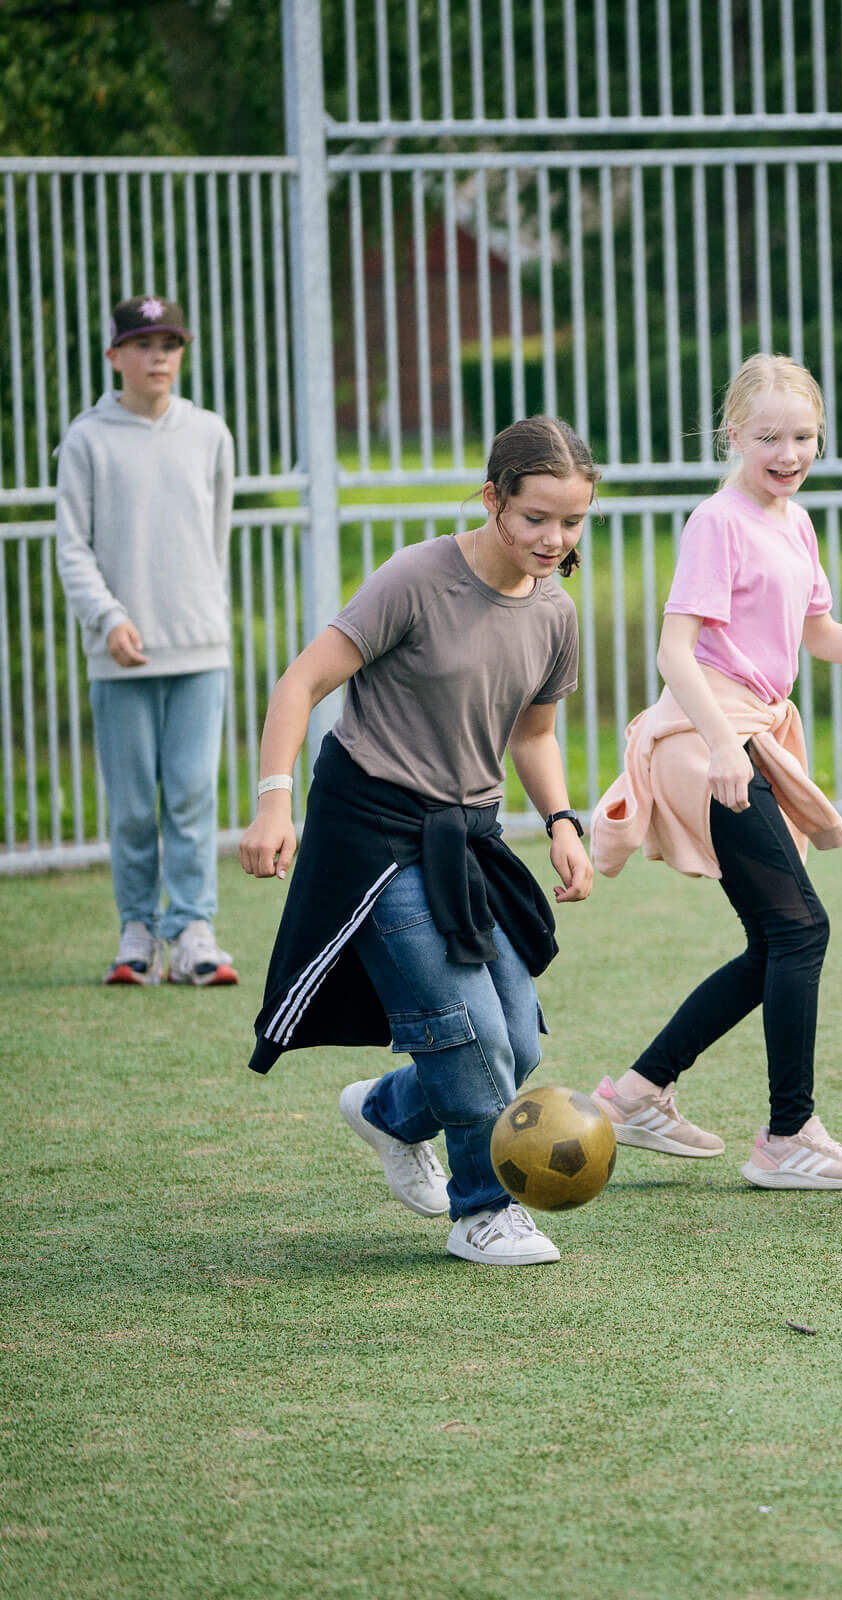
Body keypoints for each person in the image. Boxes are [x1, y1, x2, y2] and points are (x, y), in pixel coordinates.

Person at [239, 417, 596, 1267]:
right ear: (492, 499)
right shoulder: (417, 578)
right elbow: (302, 681)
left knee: (522, 1038)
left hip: (464, 836)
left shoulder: (555, 612)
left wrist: (562, 822)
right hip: (373, 829)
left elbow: (535, 734)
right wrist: (273, 802)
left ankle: (390, 1112)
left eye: (572, 521)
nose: (554, 539)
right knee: (470, 1034)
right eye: (535, 517)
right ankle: (483, 1213)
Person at [591, 354, 842, 1192]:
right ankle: (786, 1135)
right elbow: (675, 648)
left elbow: (817, 636)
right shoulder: (718, 521)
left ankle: (634, 1094)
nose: (787, 452)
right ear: (734, 435)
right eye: (768, 436)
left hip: (747, 733)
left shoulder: (794, 522)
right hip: (706, 742)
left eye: (802, 436)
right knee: (801, 931)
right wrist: (724, 745)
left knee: (776, 937)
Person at [54, 295, 238, 987]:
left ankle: (193, 930)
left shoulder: (210, 434)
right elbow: (73, 550)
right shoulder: (86, 439)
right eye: (142, 344)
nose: (157, 356)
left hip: (198, 649)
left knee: (191, 794)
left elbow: (211, 538)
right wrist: (108, 618)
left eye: (169, 343)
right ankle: (138, 931)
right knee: (133, 805)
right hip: (118, 652)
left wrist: (202, 618)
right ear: (114, 357)